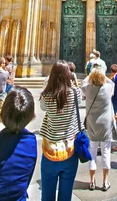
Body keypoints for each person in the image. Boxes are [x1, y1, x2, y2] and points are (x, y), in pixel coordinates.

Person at [40, 59, 81, 201]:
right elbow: (79, 99)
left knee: (47, 193)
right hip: (70, 148)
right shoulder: (75, 93)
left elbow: (43, 107)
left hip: (50, 149)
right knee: (66, 192)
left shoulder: (47, 95)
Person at [81, 68, 115, 191]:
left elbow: (83, 83)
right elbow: (112, 82)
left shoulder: (88, 89)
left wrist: (90, 74)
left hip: (92, 124)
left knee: (92, 151)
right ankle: (105, 181)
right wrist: (103, 75)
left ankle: (92, 181)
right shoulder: (108, 88)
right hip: (105, 124)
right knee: (106, 152)